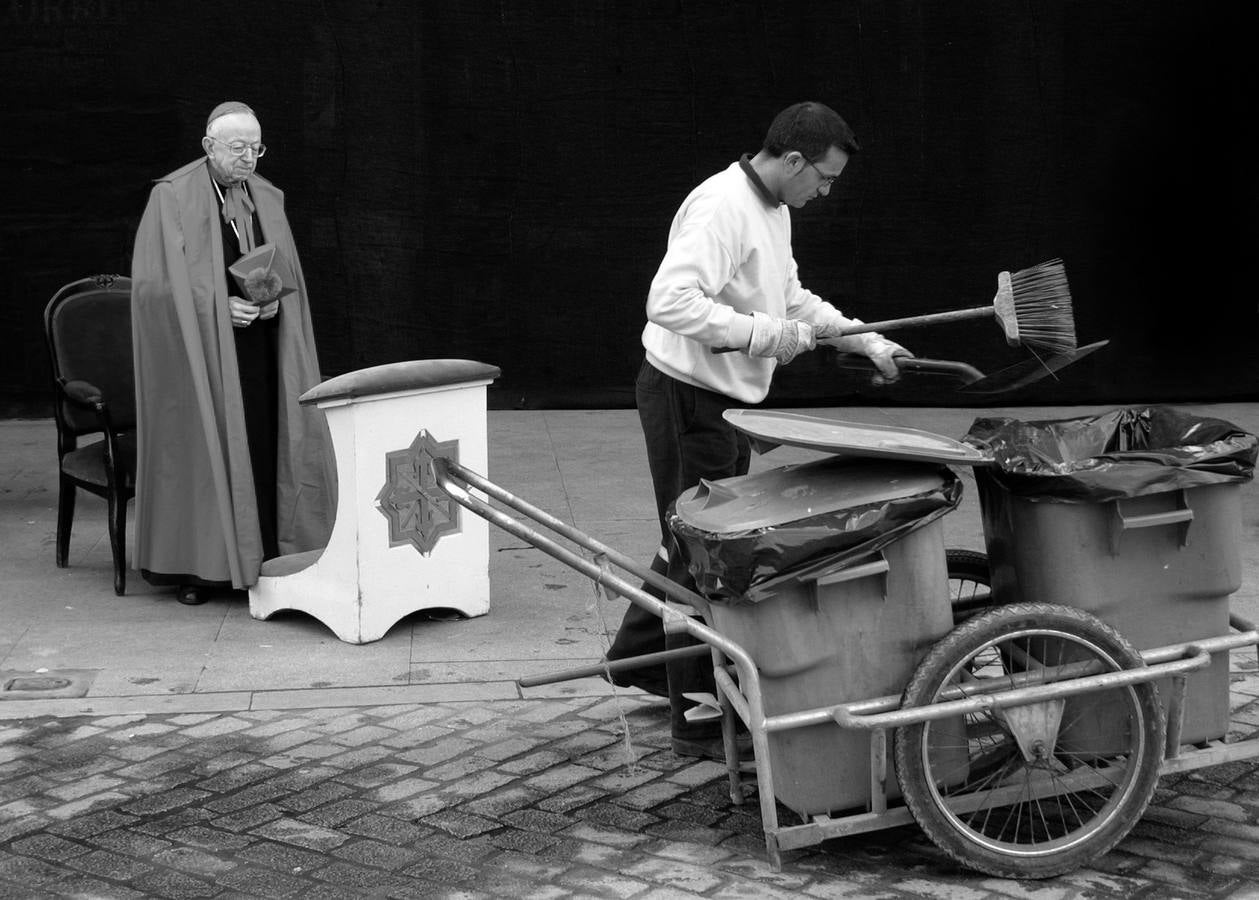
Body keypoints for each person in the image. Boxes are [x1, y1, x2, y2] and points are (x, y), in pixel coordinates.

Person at [605, 101, 910, 760]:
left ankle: (639, 660)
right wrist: (765, 335)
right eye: (823, 178)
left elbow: (791, 300)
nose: (824, 192)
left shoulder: (772, 209)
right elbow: (668, 302)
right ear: (793, 160)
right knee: (701, 553)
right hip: (687, 397)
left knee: (689, 539)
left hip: (718, 402)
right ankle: (697, 717)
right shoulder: (723, 207)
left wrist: (865, 340)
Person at [130, 100, 335, 605]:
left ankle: (267, 550)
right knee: (209, 449)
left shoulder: (266, 196)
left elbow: (281, 269)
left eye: (256, 148)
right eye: (238, 148)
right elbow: (153, 288)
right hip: (198, 358)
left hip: (260, 351)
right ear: (209, 146)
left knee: (265, 442)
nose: (248, 159)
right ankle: (204, 571)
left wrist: (273, 302)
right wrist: (217, 309)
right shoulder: (171, 196)